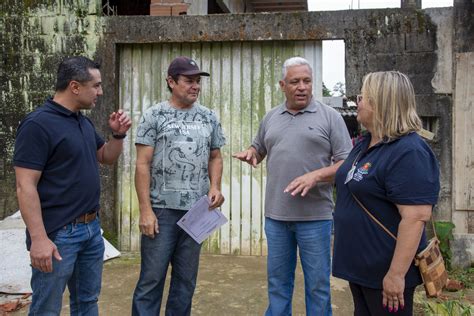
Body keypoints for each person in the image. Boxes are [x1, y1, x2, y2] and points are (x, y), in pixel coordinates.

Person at [233, 57, 352, 316]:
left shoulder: (330, 117)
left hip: (315, 218)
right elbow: (260, 148)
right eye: (295, 81)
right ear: (282, 85)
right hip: (276, 217)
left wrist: (316, 176)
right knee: (278, 285)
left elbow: (346, 164)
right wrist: (252, 153)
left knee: (318, 287)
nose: (302, 87)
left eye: (307, 81)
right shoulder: (271, 117)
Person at [13, 56, 132, 315]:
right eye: (96, 85)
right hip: (58, 235)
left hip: (90, 230)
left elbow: (106, 157)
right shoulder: (37, 125)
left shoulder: (82, 121)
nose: (100, 92)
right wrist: (39, 239)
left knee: (87, 303)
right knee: (47, 307)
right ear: (75, 86)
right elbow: (25, 187)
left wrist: (119, 135)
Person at [332, 71, 440, 315]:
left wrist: (396, 274)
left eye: (363, 97)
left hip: (385, 273)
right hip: (361, 269)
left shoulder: (409, 151)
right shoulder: (366, 143)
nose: (356, 102)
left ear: (382, 102)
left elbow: (415, 217)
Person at [132, 56, 226, 316]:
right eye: (189, 81)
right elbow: (142, 164)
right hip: (161, 211)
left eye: (198, 81)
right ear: (171, 82)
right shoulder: (154, 115)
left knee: (185, 282)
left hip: (197, 211)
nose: (195, 86)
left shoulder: (209, 117)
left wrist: (215, 187)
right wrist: (145, 210)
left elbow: (215, 156)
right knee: (151, 281)